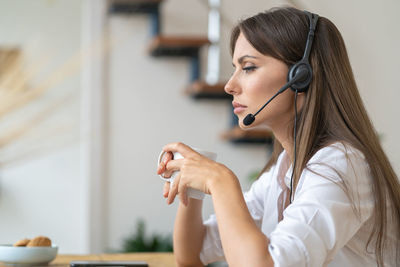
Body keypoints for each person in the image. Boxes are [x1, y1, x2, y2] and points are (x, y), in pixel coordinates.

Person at [156, 7, 400, 267]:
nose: (229, 85)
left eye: (248, 67)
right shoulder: (284, 169)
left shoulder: (340, 165)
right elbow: (191, 256)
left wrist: (220, 181)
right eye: (235, 68)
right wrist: (191, 187)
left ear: (301, 78)